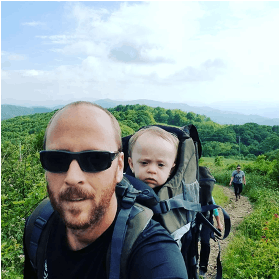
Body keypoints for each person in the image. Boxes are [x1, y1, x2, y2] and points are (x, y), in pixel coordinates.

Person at [23, 101, 188, 279]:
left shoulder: (154, 256)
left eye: (95, 159)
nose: (72, 177)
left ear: (119, 167)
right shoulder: (39, 226)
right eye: (56, 159)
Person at [199, 197, 223, 278]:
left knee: (205, 242)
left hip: (207, 220)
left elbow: (214, 209)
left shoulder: (207, 194)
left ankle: (203, 267)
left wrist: (219, 223)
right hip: (194, 220)